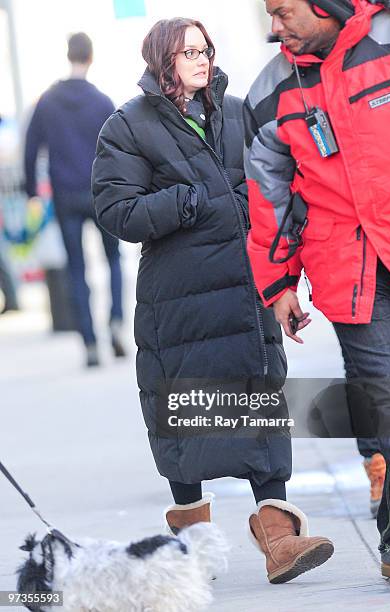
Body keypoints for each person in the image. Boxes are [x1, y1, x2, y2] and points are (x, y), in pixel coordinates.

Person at [92, 17, 333, 584]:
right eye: (188, 52)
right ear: (162, 60)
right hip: (178, 301)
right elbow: (115, 210)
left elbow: (277, 184)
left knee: (262, 397)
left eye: (206, 49)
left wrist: (284, 277)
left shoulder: (238, 112)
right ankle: (194, 551)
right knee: (184, 413)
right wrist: (185, 200)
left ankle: (279, 540)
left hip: (245, 292)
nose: (201, 60)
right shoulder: (127, 126)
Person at [244, 0, 390, 578]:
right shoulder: (270, 91)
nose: (274, 27)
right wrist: (278, 282)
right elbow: (268, 200)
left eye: (284, 12)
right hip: (349, 269)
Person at [24, 32, 125, 367]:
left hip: (66, 195)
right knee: (112, 260)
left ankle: (90, 341)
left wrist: (31, 193)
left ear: (68, 56)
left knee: (77, 268)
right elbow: (120, 148)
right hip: (101, 192)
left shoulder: (48, 101)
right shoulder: (101, 101)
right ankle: (115, 321)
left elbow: (30, 147)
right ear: (91, 57)